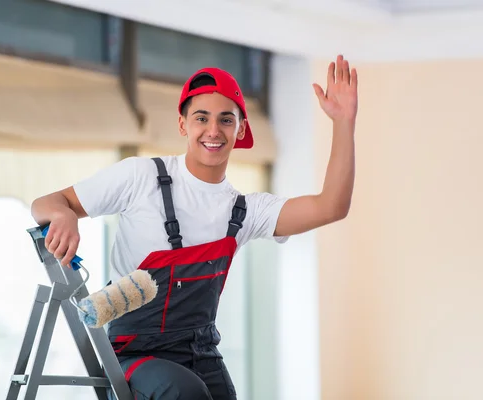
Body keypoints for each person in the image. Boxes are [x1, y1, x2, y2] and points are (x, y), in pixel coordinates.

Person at [31, 54, 358, 400]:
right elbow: (47, 204)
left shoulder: (245, 211)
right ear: (183, 124)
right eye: (201, 118)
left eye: (225, 120)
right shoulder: (139, 178)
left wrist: (343, 123)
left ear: (241, 129)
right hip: (134, 356)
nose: (213, 131)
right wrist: (65, 214)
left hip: (201, 352)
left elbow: (331, 206)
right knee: (186, 392)